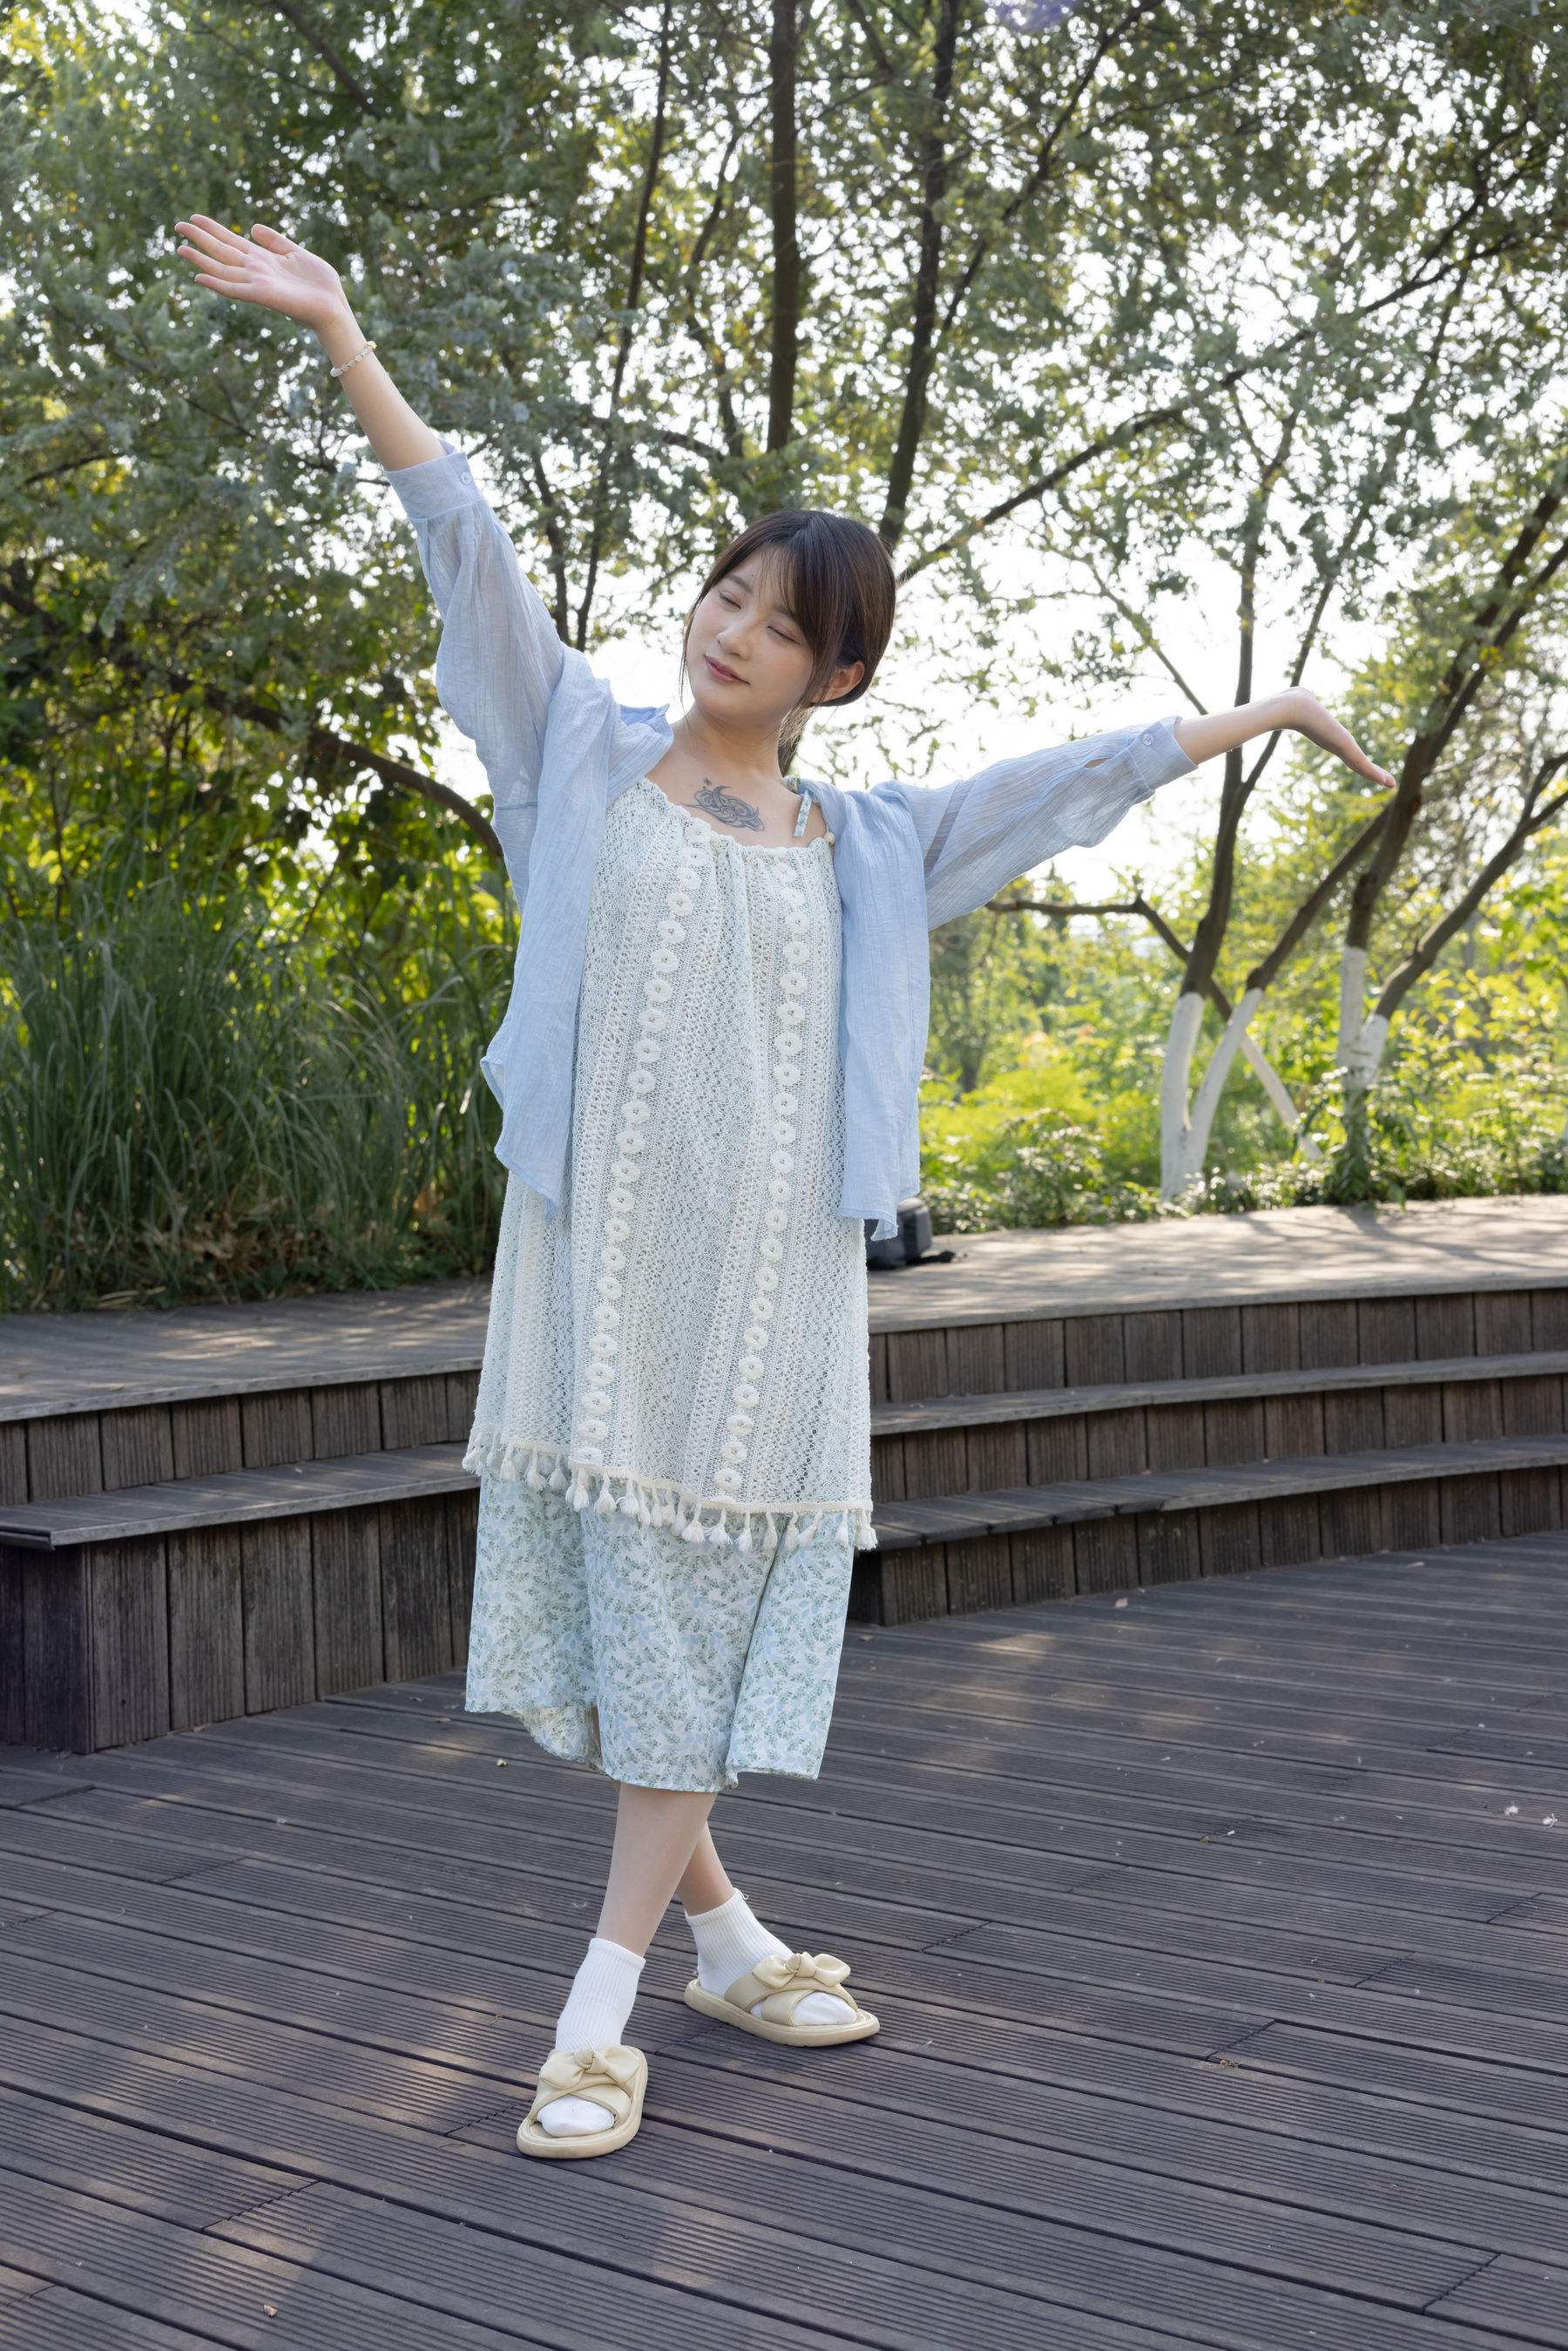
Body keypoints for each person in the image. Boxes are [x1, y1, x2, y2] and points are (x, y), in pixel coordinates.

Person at [174, 217, 1396, 2159]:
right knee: (652, 1621)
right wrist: (342, 330)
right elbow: (465, 552)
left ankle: (625, 1997)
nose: (731, 628)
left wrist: (1254, 718)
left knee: (703, 1615)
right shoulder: (577, 753)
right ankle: (691, 1961)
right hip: (597, 1259)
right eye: (726, 592)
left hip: (774, 1289)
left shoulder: (867, 839)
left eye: (779, 621)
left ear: (839, 670)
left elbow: (1063, 781)